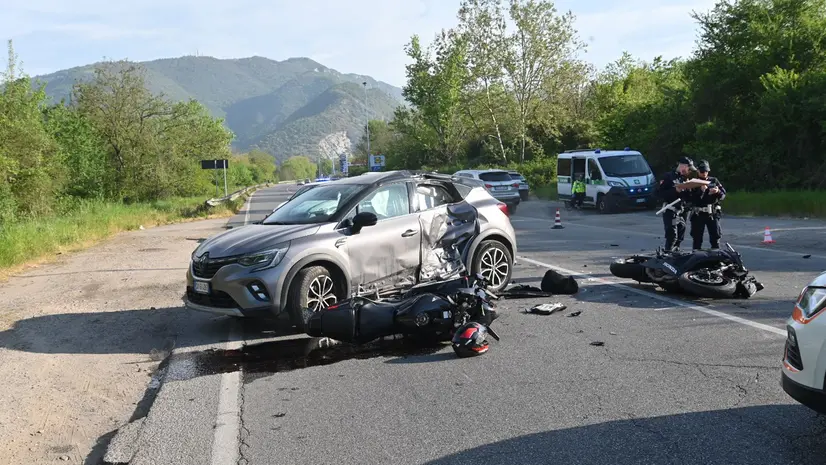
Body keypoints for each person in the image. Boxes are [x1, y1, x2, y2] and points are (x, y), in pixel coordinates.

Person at [655, 156, 695, 251]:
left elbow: (687, 197)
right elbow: (659, 194)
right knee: (672, 235)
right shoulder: (668, 177)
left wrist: (690, 188)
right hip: (671, 211)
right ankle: (668, 253)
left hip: (682, 211)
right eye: (689, 168)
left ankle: (676, 252)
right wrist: (675, 190)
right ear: (683, 166)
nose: (689, 171)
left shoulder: (684, 179)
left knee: (681, 235)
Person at [689, 160, 726, 250]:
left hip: (712, 213)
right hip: (698, 214)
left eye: (706, 171)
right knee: (697, 239)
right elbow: (690, 199)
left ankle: (716, 257)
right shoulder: (693, 182)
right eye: (702, 171)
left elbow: (723, 194)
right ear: (697, 171)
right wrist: (701, 191)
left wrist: (717, 192)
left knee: (715, 237)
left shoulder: (713, 180)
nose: (704, 173)